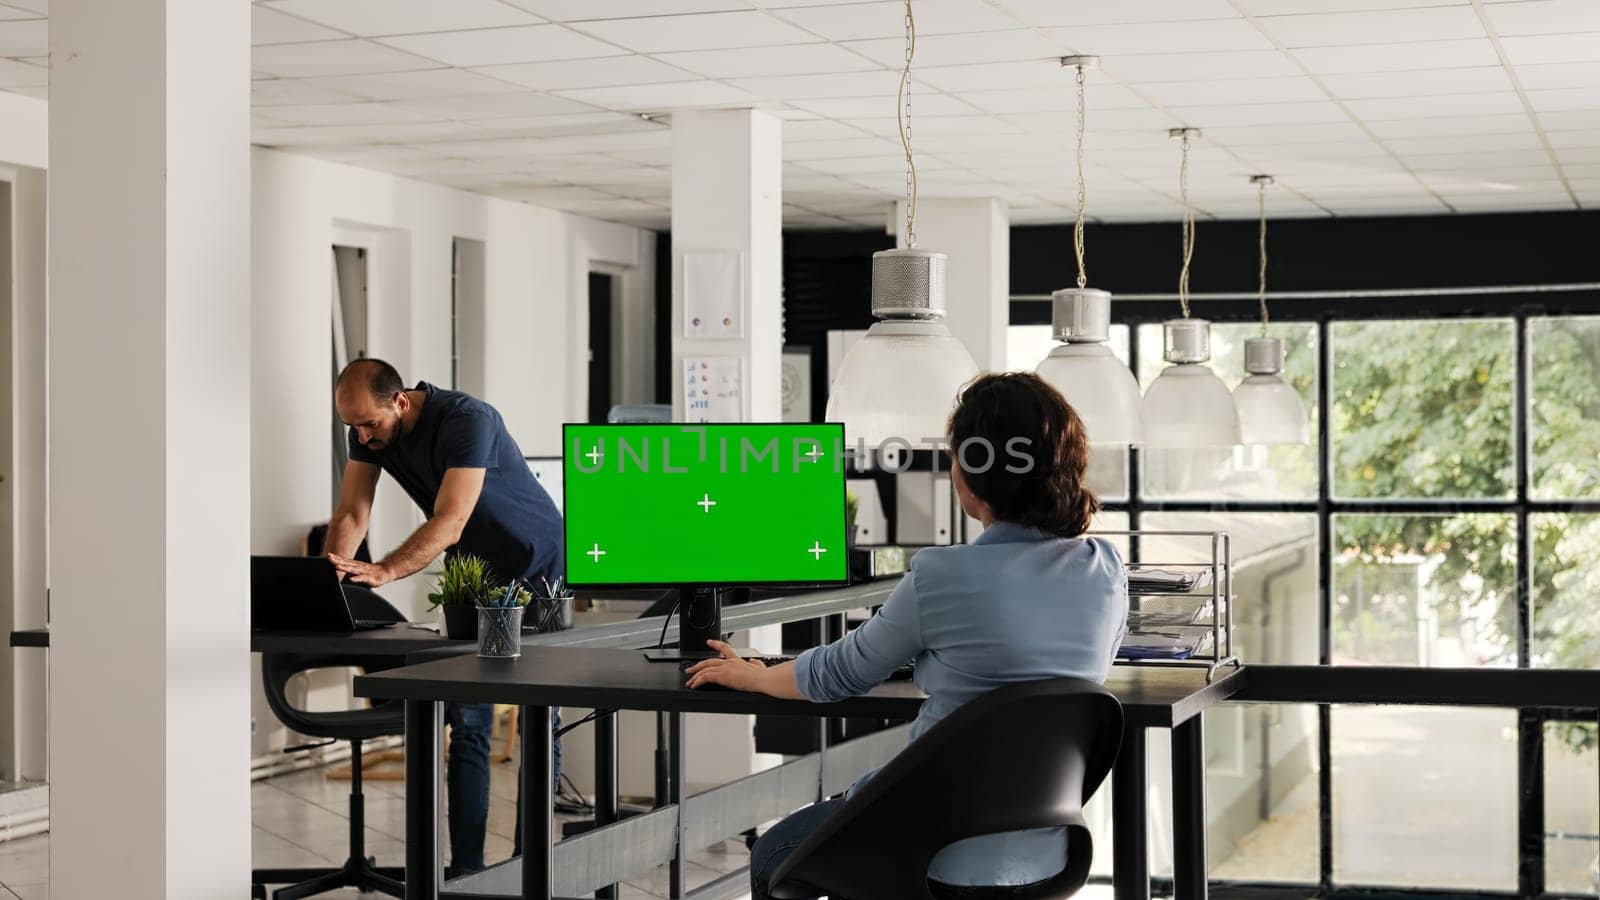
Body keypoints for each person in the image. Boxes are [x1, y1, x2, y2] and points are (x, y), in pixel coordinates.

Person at [686, 371, 1128, 898]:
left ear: (971, 475)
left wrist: (752, 677)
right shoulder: (1105, 568)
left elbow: (837, 675)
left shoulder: (942, 577)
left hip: (929, 848)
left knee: (771, 854)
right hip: (1048, 853)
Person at [325, 358, 564, 877]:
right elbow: (351, 514)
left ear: (401, 403)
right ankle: (469, 873)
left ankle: (531, 870)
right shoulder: (368, 433)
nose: (363, 438)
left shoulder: (466, 419)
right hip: (472, 572)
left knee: (542, 722)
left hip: (536, 562)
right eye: (353, 427)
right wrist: (328, 583)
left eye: (370, 424)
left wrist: (386, 569)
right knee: (469, 720)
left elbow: (451, 519)